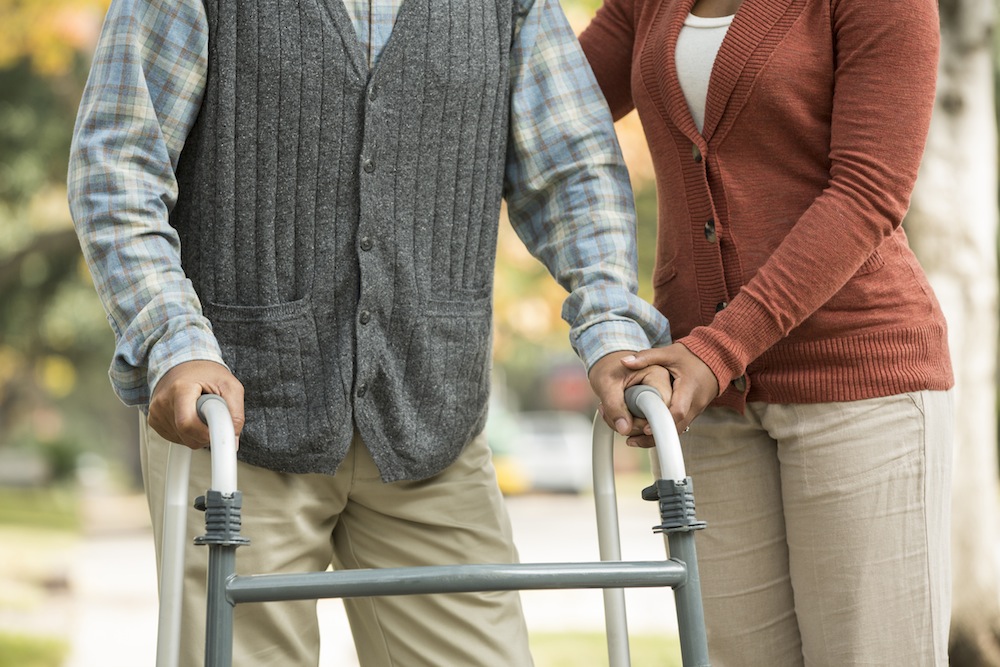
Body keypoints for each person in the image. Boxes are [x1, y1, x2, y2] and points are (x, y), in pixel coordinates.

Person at [67, 0, 675, 664]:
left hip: (431, 416)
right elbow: (118, 166)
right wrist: (172, 339)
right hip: (235, 418)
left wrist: (611, 324)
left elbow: (572, 169)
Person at [579, 0, 954, 665]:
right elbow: (549, 104)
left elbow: (869, 190)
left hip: (855, 384)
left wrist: (716, 349)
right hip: (709, 400)